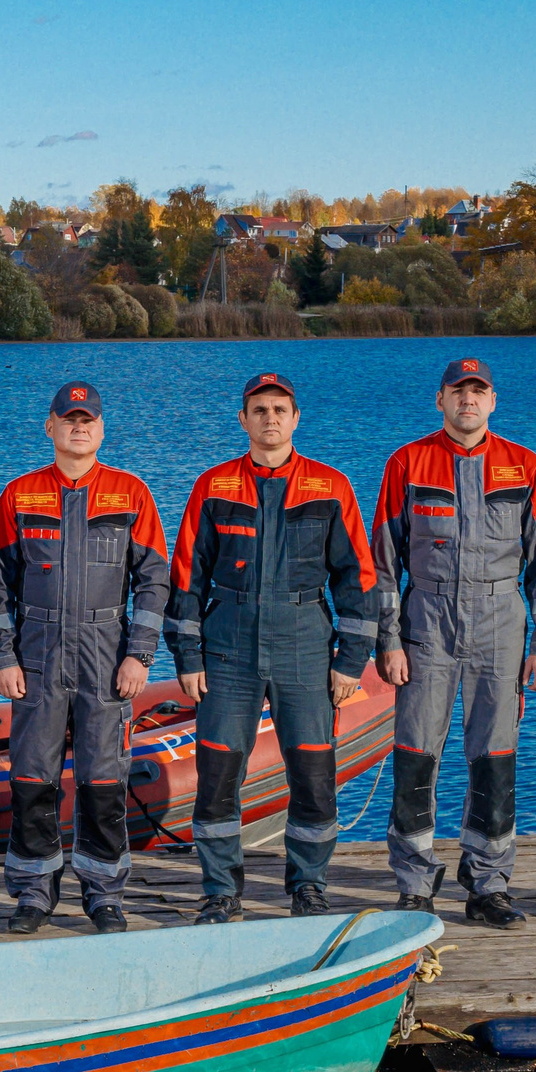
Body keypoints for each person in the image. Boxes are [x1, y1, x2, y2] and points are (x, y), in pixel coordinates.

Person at [371, 357, 536, 929]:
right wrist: (389, 639)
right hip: (426, 620)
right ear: (440, 400)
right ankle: (414, 882)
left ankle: (488, 883)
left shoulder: (523, 466)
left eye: (478, 392)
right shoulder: (408, 463)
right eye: (458, 391)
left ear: (493, 401)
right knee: (415, 754)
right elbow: (383, 563)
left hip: (500, 621)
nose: (468, 400)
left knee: (494, 758)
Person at [168, 373, 376, 920]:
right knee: (217, 772)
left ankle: (308, 883)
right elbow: (186, 579)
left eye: (280, 409)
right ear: (243, 420)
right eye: (259, 410)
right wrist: (188, 659)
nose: (270, 419)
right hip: (228, 644)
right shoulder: (212, 487)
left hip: (305, 640)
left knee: (312, 771)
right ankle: (220, 890)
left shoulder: (331, 487)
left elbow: (358, 580)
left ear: (296, 417)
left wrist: (351, 661)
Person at [0, 380, 170, 934]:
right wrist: (3, 656)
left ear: (101, 429)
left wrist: (139, 655)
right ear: (50, 427)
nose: (78, 427)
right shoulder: (19, 496)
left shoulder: (130, 493)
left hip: (105, 654)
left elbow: (155, 581)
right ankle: (33, 892)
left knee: (103, 779)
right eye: (68, 419)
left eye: (87, 419)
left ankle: (104, 892)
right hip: (38, 656)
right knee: (32, 778)